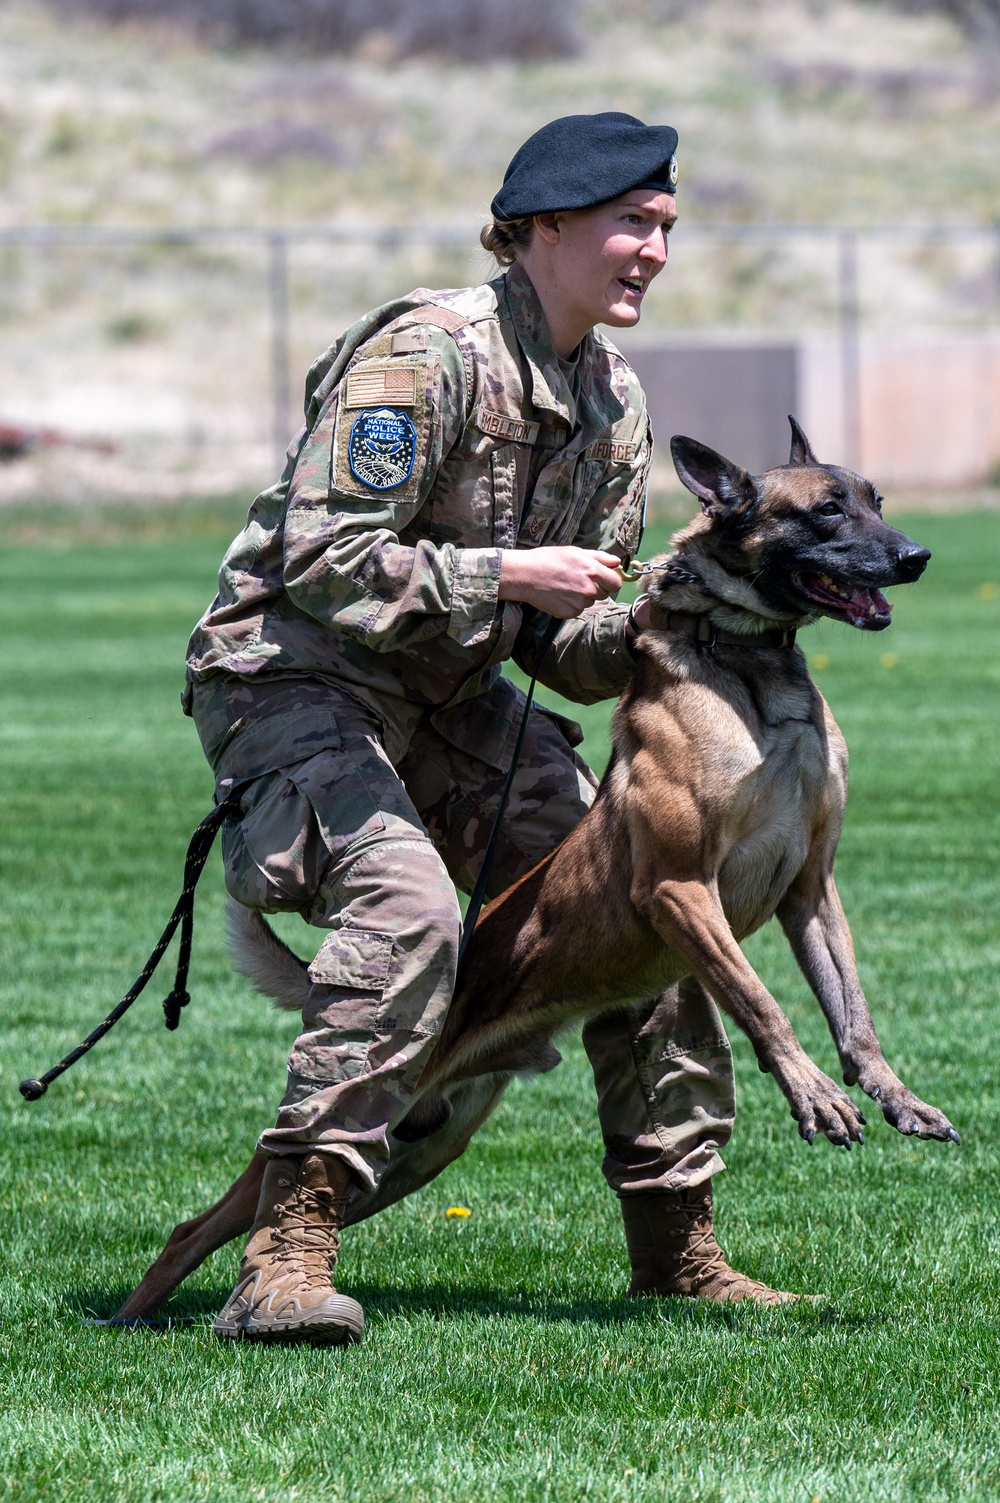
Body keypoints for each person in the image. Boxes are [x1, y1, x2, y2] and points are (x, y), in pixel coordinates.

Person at [184, 112, 792, 1346]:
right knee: (404, 908)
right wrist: (511, 572)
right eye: (631, 223)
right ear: (543, 229)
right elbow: (325, 563)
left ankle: (676, 1245)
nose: (652, 251)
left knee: (642, 883)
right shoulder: (426, 352)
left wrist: (660, 625)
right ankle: (287, 1253)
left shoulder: (611, 404)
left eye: (665, 227)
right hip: (296, 683)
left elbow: (560, 659)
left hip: (451, 698)